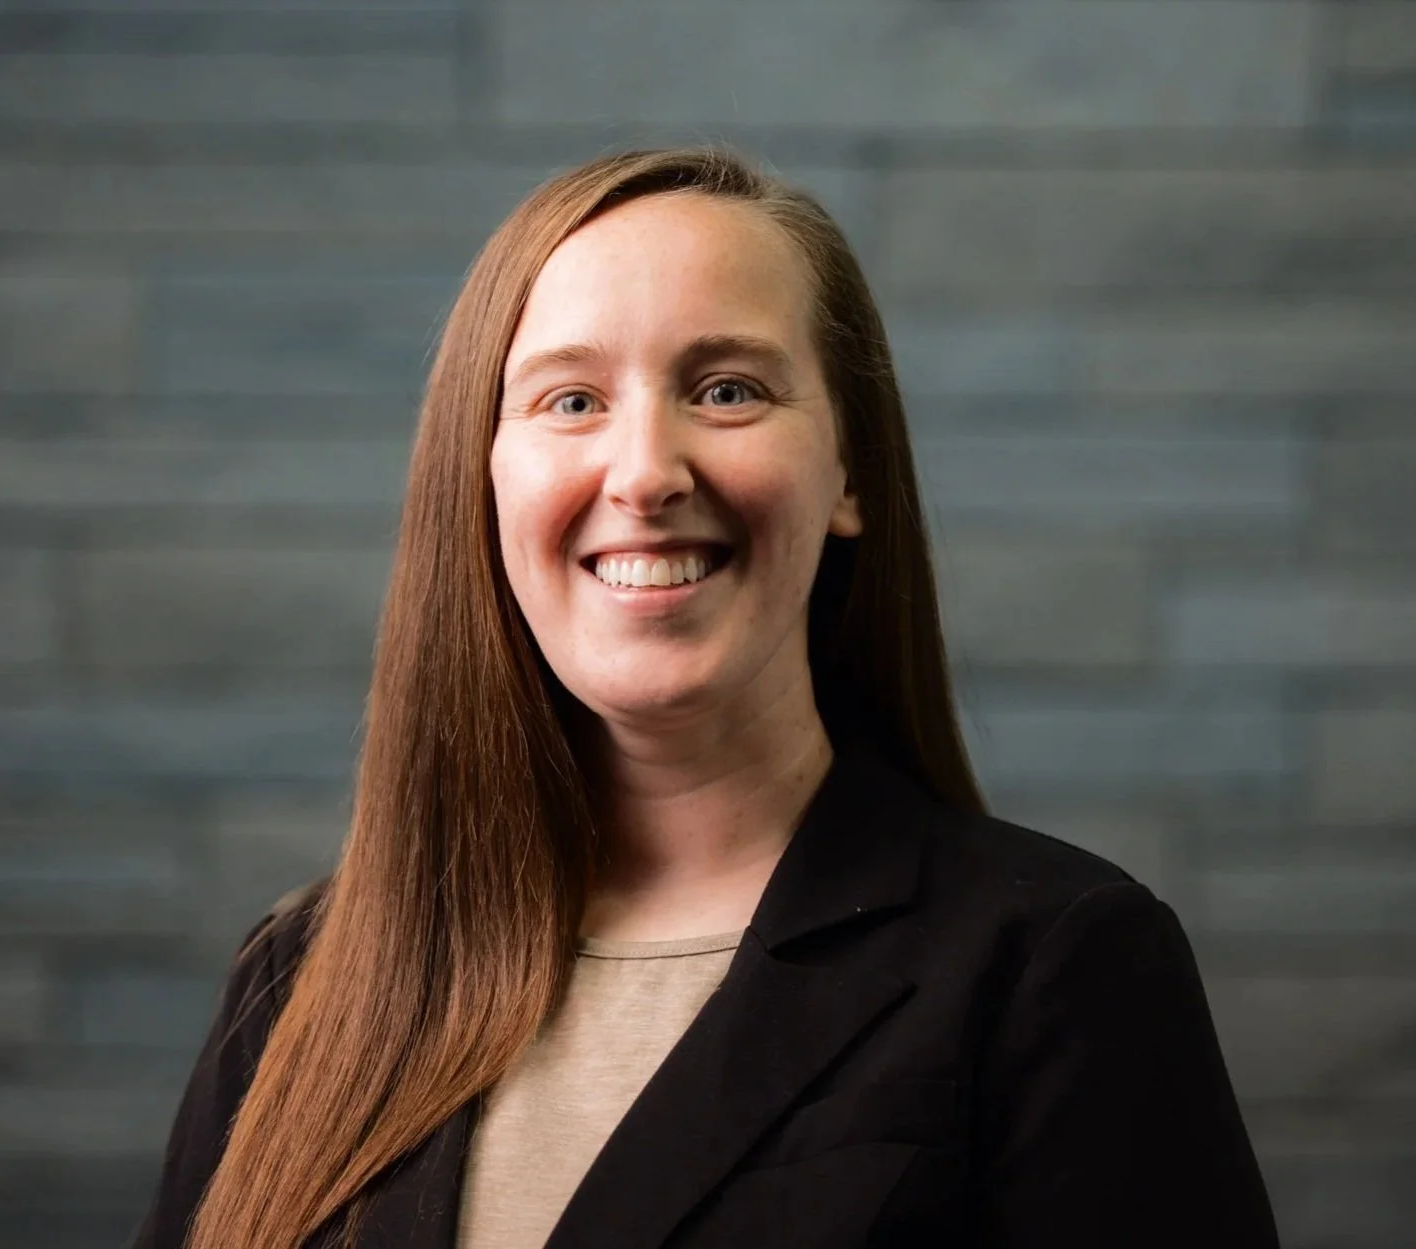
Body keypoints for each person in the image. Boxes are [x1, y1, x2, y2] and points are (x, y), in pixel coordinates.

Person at [127, 148, 1278, 1249]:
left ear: (849, 473)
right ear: (480, 480)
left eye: (727, 389)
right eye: (570, 402)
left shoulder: (1051, 965)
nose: (643, 472)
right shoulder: (304, 978)